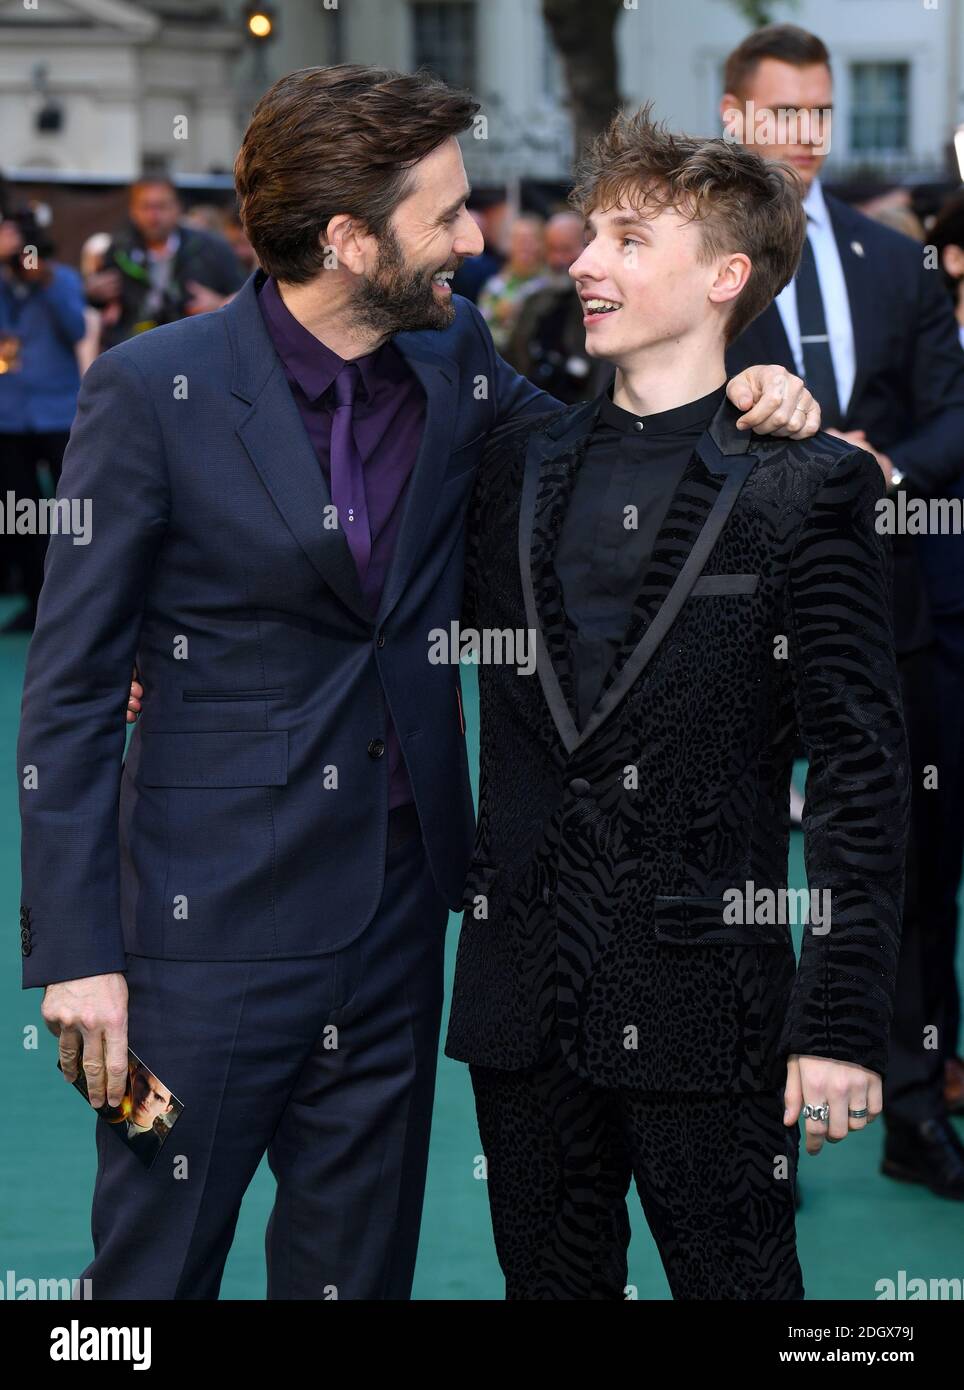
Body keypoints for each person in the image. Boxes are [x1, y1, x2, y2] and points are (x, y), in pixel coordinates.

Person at [22, 63, 816, 1301]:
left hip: (397, 929)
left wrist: (749, 393)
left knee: (355, 1275)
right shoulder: (151, 390)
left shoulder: (453, 368)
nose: (474, 237)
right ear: (348, 238)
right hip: (201, 932)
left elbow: (603, 446)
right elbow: (66, 693)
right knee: (147, 1279)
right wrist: (78, 957)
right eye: (446, 213)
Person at [443, 106, 910, 1300]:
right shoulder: (511, 461)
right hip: (522, 1000)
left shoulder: (807, 484)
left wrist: (843, 1016)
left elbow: (860, 767)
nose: (584, 260)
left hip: (709, 996)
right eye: (590, 234)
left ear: (724, 276)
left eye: (627, 240)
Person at [722, 23, 964, 1197]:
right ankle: (760, 1113)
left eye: (819, 113)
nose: (803, 137)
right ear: (733, 119)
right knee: (750, 871)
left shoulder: (895, 256)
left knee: (908, 868)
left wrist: (878, 470)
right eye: (780, 114)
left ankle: (916, 1111)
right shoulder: (701, 263)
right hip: (740, 618)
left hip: (891, 609)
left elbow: (950, 417)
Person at [0, 209, 86, 631]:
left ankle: (78, 603)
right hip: (9, 417)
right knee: (19, 514)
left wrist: (45, 282)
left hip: (57, 413)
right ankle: (35, 602)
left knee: (73, 510)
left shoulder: (61, 279)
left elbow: (76, 329)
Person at [84, 175, 246, 351]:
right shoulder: (119, 250)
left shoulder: (210, 248)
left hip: (194, 350)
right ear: (133, 211)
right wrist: (93, 294)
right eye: (146, 207)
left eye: (161, 206)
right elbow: (104, 305)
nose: (154, 216)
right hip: (137, 353)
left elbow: (244, 296)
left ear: (177, 208)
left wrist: (220, 305)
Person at [505, 211, 611, 403]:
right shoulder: (534, 302)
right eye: (552, 250)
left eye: (566, 249)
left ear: (588, 246)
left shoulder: (606, 307)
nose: (558, 260)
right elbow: (514, 360)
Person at [478, 214, 547, 352]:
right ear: (510, 244)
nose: (525, 246)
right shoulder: (496, 284)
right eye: (520, 240)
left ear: (542, 244)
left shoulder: (551, 284)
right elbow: (481, 331)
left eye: (531, 239)